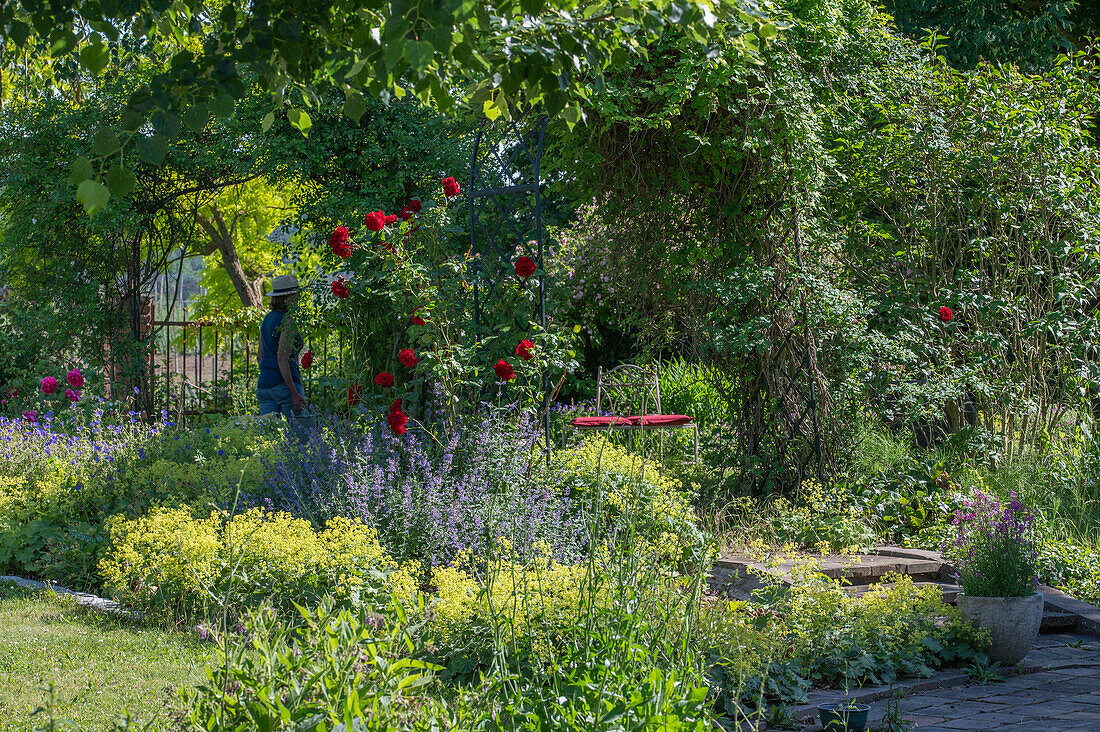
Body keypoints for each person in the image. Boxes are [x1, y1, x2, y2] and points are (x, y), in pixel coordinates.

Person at [256, 274, 312, 439]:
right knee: (300, 438)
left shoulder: (267, 319)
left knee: (267, 439)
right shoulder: (288, 321)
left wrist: (269, 375)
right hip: (285, 386)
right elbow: (282, 358)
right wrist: (294, 393)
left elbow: (260, 356)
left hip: (265, 387)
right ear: (290, 297)